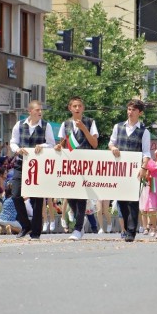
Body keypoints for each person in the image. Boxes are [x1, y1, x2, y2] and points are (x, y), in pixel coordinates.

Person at [54, 96, 99, 240]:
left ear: (83, 108)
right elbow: (62, 143)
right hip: (70, 165)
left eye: (80, 106)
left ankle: (78, 229)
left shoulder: (90, 122)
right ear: (70, 108)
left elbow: (94, 143)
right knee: (71, 197)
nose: (77, 108)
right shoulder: (65, 124)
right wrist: (58, 146)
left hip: (85, 164)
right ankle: (80, 219)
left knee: (81, 197)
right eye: (75, 106)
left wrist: (84, 129)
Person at [10, 100, 56, 239]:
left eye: (41, 110)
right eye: (37, 110)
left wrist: (42, 146)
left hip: (38, 166)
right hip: (21, 164)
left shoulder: (46, 126)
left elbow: (52, 144)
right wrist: (18, 149)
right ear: (30, 111)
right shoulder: (19, 125)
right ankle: (26, 225)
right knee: (15, 195)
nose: (40, 112)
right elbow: (13, 142)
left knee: (37, 199)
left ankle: (36, 231)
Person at [108, 99, 151, 242]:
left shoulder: (144, 131)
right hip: (120, 169)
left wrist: (144, 168)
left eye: (133, 109)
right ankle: (126, 228)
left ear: (140, 112)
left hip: (135, 170)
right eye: (129, 109)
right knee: (121, 201)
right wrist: (113, 148)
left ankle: (131, 231)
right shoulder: (118, 126)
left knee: (133, 201)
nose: (130, 112)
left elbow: (146, 152)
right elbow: (111, 143)